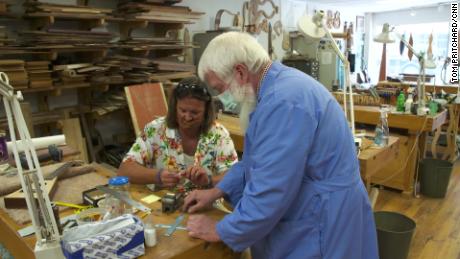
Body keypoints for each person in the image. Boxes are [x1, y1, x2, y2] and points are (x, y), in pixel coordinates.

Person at [183, 32, 379, 259]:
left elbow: (272, 186)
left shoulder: (285, 101)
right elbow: (255, 162)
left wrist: (222, 229)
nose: (221, 98)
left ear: (240, 72)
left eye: (219, 88)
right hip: (315, 202)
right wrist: (217, 190)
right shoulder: (272, 90)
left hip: (326, 215)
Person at [118, 77, 238, 188]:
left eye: (195, 112)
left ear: (206, 112)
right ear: (175, 106)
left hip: (205, 204)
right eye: (182, 110)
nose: (187, 117)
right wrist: (158, 176)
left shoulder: (219, 135)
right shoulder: (155, 130)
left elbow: (234, 178)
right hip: (163, 204)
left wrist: (209, 180)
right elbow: (125, 170)